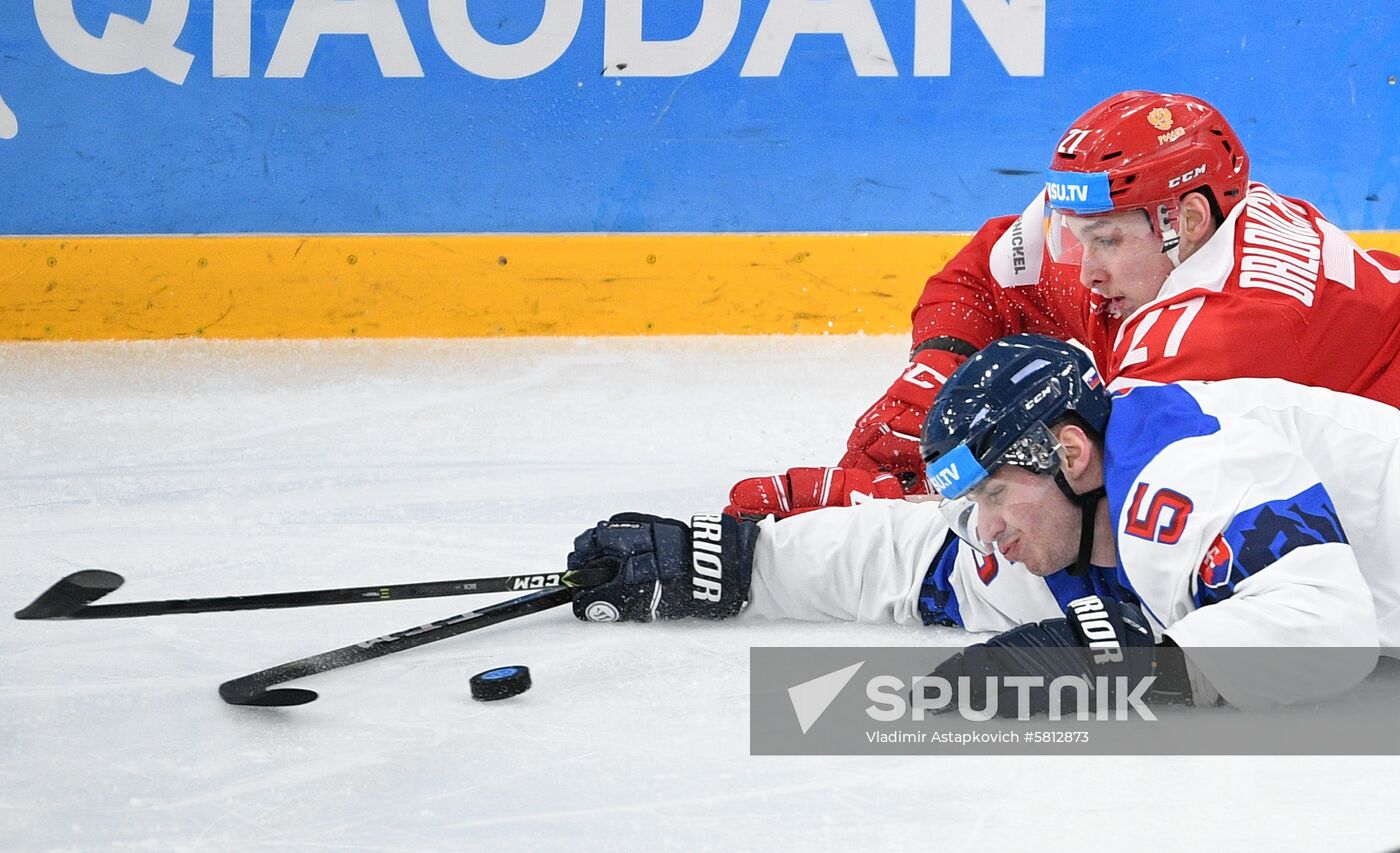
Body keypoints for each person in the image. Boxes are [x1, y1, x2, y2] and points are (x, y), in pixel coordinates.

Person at [566, 334, 1399, 710]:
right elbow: (913, 557)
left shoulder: (1185, 470)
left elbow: (1327, 629)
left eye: (996, 493)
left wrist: (1116, 663)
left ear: (1070, 453)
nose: (988, 526)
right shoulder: (1052, 524)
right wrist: (738, 564)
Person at [726, 90, 1400, 521]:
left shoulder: (1219, 341)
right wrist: (929, 377)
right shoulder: (1152, 243)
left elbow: (1082, 512)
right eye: (1075, 238)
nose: (1085, 270)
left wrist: (881, 507)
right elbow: (985, 278)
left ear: (1188, 220)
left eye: (1103, 240)